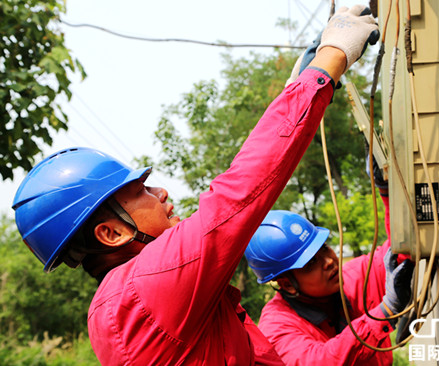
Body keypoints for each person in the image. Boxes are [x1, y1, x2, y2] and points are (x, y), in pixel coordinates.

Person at [11, 5, 380, 365]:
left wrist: (294, 93)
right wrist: (329, 62)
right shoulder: (147, 285)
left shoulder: (123, 306)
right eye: (141, 192)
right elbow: (238, 194)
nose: (161, 193)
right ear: (111, 233)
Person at [244, 163, 414, 365]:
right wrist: (385, 311)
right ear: (287, 284)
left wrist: (386, 190)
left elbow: (401, 252)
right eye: (311, 263)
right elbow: (322, 361)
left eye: (323, 247)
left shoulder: (353, 278)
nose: (329, 261)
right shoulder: (277, 328)